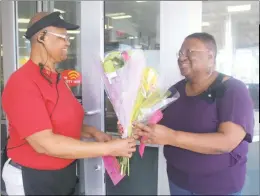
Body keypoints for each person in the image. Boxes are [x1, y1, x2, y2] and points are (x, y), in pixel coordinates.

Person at [1, 11, 136, 196]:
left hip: (63, 173)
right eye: (62, 37)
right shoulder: (22, 82)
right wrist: (109, 148)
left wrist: (94, 132)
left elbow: (60, 123)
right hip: (32, 176)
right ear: (41, 37)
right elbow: (45, 143)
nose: (68, 42)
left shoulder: (57, 79)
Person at [121, 32, 254, 195]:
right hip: (179, 182)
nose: (182, 58)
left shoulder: (233, 90)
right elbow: (156, 127)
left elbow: (227, 142)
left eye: (190, 52)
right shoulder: (175, 91)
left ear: (210, 56)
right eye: (180, 53)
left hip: (218, 187)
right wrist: (135, 127)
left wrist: (172, 136)